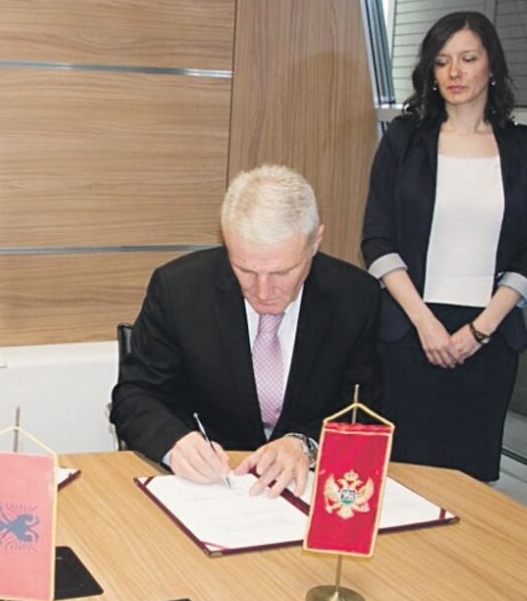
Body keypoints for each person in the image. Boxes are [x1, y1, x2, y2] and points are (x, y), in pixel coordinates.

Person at [111, 165, 380, 497]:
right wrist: (174, 442)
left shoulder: (355, 297)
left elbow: (364, 411)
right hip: (210, 487)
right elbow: (135, 394)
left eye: (282, 272)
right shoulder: (179, 290)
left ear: (315, 242)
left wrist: (305, 443)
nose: (263, 291)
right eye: (245, 270)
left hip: (306, 490)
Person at [362, 11, 527, 482]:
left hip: (489, 338)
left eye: (468, 59)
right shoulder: (404, 140)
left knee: (471, 480)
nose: (454, 72)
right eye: (443, 61)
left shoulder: (526, 148)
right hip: (409, 334)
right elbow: (377, 238)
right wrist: (425, 323)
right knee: (403, 477)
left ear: (492, 66)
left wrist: (480, 331)